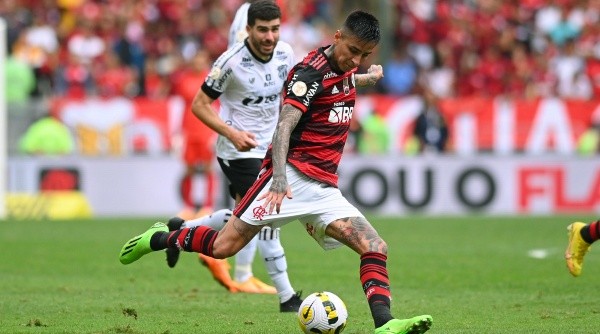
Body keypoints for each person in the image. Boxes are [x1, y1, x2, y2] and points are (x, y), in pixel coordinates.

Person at [120, 9, 433, 334]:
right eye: (353, 51)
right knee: (223, 247)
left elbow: (343, 79)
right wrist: (280, 178)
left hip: (324, 189)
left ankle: (385, 323)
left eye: (365, 55)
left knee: (375, 246)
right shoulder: (308, 73)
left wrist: (369, 78)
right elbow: (284, 126)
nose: (357, 60)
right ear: (337, 37)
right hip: (288, 178)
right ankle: (156, 239)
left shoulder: (344, 69)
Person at [166, 0, 302, 311]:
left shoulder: (286, 53)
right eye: (263, 30)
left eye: (275, 30)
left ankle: (181, 230)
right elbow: (199, 104)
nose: (269, 37)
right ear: (248, 30)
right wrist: (232, 134)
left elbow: (293, 92)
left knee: (245, 219)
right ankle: (287, 296)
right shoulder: (230, 62)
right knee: (268, 212)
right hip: (237, 150)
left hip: (270, 147)